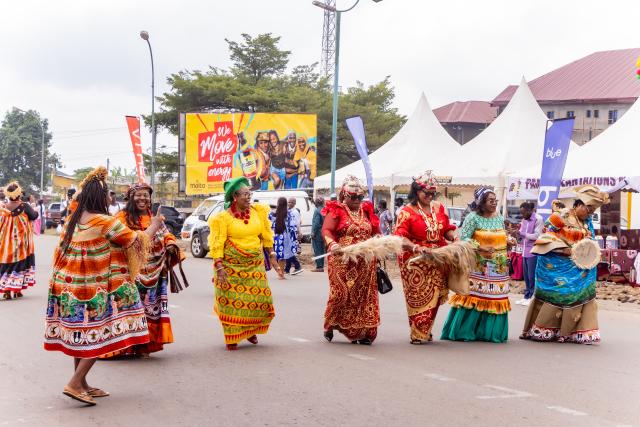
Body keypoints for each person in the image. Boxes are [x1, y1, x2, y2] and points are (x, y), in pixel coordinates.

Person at [44, 166, 164, 406]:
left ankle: (83, 382)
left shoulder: (73, 220)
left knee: (83, 335)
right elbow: (136, 241)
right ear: (100, 197)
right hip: (94, 288)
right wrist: (156, 224)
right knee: (101, 332)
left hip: (67, 286)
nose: (111, 198)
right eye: (108, 194)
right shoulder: (104, 221)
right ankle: (75, 382)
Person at [101, 183, 184, 358]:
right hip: (131, 272)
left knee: (151, 309)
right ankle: (126, 346)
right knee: (130, 309)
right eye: (138, 195)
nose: (143, 198)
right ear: (130, 197)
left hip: (155, 273)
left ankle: (145, 345)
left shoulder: (153, 216)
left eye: (146, 195)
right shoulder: (121, 218)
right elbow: (119, 240)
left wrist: (170, 243)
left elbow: (165, 233)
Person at [520, 185, 608, 344]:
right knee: (557, 295)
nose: (590, 213)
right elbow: (545, 236)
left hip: (579, 270)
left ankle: (573, 332)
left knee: (581, 296)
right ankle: (547, 329)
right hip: (557, 266)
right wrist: (563, 250)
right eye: (589, 209)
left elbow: (590, 243)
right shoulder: (561, 216)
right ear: (578, 205)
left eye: (593, 211)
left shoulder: (587, 223)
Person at [208, 177, 282, 350]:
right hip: (230, 266)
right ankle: (232, 335)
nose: (248, 197)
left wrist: (272, 255)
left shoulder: (259, 212)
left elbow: (266, 234)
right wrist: (219, 266)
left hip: (254, 263)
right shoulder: (222, 219)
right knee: (231, 303)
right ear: (235, 197)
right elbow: (217, 243)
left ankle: (250, 330)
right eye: (244, 194)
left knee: (260, 300)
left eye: (250, 194)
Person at [393, 171, 458, 344]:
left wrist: (455, 238)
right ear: (416, 192)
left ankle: (425, 328)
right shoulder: (406, 212)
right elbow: (400, 236)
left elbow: (446, 229)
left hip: (437, 258)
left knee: (435, 295)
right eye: (426, 193)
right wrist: (416, 247)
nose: (430, 196)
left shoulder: (439, 208)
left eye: (432, 193)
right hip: (416, 260)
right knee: (419, 295)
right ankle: (418, 331)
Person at [441, 188, 512, 343]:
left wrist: (509, 241)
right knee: (474, 297)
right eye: (490, 201)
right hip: (478, 266)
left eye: (495, 201)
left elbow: (501, 235)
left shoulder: (499, 217)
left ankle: (490, 333)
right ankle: (466, 331)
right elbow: (463, 238)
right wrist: (480, 248)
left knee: (495, 297)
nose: (494, 204)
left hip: (498, 267)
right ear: (481, 202)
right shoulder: (473, 218)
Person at [322, 175, 381, 345]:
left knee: (363, 296)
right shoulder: (337, 210)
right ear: (344, 195)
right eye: (353, 197)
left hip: (365, 261)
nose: (357, 200)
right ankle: (330, 324)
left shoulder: (367, 210)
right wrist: (332, 244)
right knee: (341, 294)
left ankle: (363, 332)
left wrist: (380, 241)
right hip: (342, 259)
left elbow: (376, 231)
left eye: (360, 197)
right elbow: (326, 230)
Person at [0, 182, 38, 299]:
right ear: (19, 194)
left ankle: (6, 291)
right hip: (21, 243)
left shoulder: (3, 207)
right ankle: (17, 290)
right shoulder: (24, 206)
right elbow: (34, 216)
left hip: (6, 243)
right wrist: (35, 208)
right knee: (20, 265)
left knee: (7, 265)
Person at [515, 202, 543, 306]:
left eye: (524, 213)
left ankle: (532, 297)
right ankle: (526, 296)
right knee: (526, 276)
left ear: (530, 211)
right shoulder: (524, 220)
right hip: (524, 251)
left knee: (532, 276)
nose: (522, 215)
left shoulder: (538, 219)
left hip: (533, 251)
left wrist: (522, 234)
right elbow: (522, 236)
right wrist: (517, 234)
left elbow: (537, 236)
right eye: (521, 213)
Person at [271, 197, 302, 275]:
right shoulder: (289, 214)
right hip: (286, 237)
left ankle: (281, 271)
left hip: (276, 236)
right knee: (284, 255)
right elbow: (293, 227)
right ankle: (282, 272)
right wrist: (295, 237)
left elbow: (269, 225)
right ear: (286, 204)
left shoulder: (273, 213)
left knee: (278, 255)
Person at [311, 197, 326, 272]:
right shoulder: (325, 209)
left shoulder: (317, 211)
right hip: (323, 232)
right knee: (322, 250)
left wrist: (313, 232)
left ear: (316, 203)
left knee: (317, 250)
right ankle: (321, 266)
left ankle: (319, 266)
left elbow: (316, 223)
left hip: (317, 233)